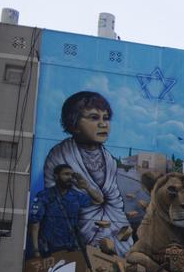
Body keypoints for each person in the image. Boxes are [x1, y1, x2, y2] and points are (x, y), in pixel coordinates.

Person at [42, 91, 131, 257]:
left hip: (111, 223)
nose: (103, 124)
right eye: (94, 118)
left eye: (106, 118)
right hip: (74, 232)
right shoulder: (60, 155)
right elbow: (55, 200)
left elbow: (114, 200)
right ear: (74, 124)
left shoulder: (109, 159)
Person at [27, 164, 90, 258]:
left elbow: (99, 200)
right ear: (56, 176)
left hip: (71, 249)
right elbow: (35, 223)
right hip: (50, 249)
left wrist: (86, 187)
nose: (70, 178)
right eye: (66, 174)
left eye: (72, 175)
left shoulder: (76, 195)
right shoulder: (45, 195)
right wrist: (36, 250)